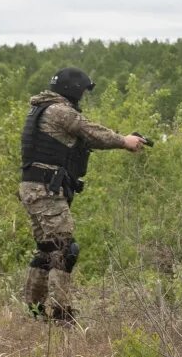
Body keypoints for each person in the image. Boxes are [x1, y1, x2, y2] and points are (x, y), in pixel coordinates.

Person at [19, 68, 147, 322]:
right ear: (73, 90)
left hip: (35, 189)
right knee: (65, 249)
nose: (83, 97)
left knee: (47, 249)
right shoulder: (60, 111)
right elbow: (91, 132)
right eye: (83, 91)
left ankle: (34, 310)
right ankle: (61, 313)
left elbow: (77, 142)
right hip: (45, 190)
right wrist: (124, 141)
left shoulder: (42, 109)